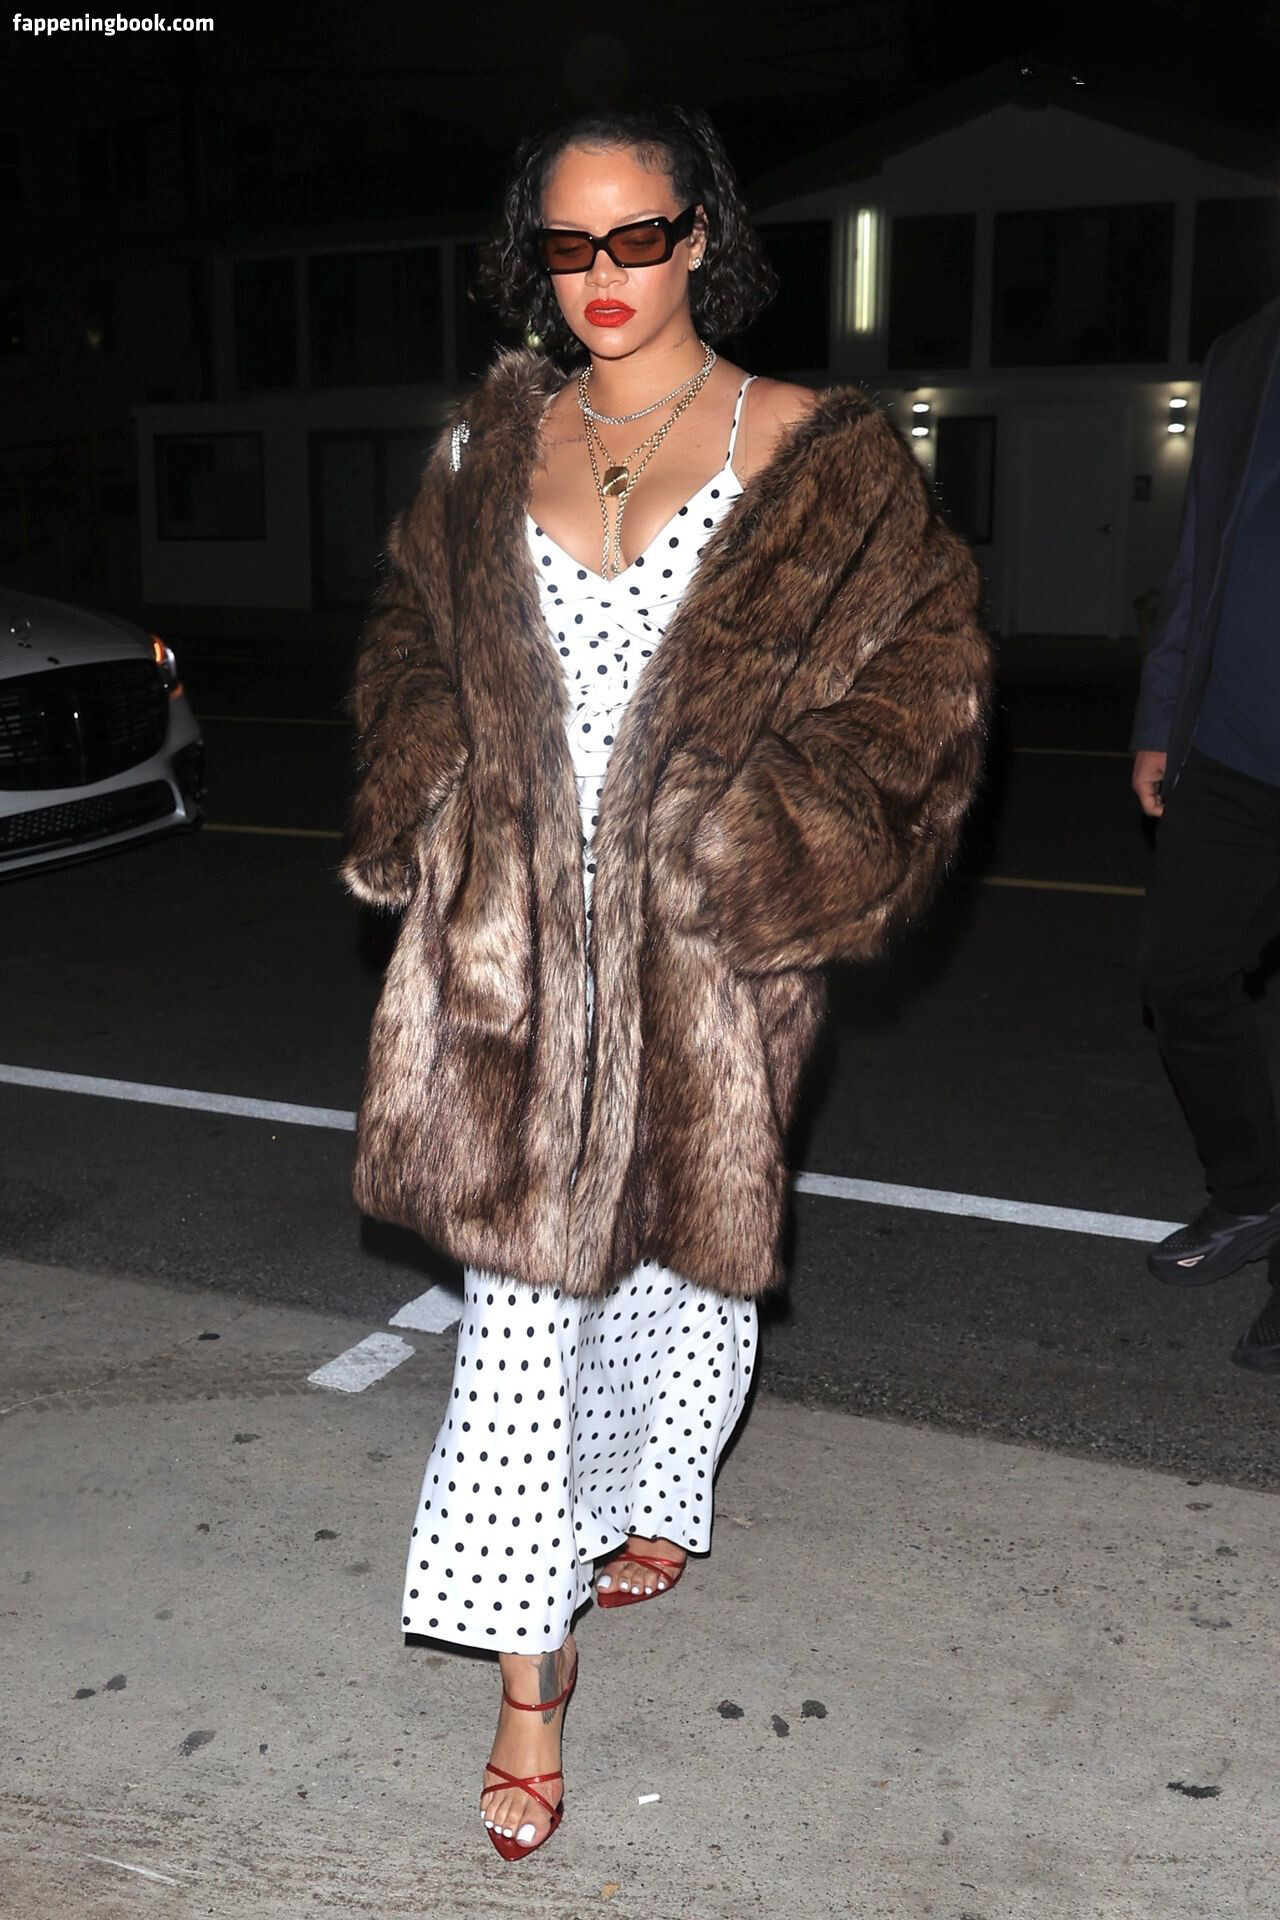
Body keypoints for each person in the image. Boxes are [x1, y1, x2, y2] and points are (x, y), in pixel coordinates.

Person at [342, 103, 990, 1862]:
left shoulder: (816, 454)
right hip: (509, 953)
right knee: (520, 1315)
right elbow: (408, 638)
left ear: (702, 233)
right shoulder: (487, 445)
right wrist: (429, 782)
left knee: (684, 1251)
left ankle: (654, 1488)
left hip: (707, 943)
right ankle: (527, 1680)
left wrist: (760, 843)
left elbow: (922, 685)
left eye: (639, 236)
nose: (603, 276)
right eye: (568, 246)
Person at [1132, 292, 1280, 1370]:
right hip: (1228, 748)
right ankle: (1253, 1191)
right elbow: (1201, 552)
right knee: (1181, 979)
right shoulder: (1246, 351)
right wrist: (1161, 716)